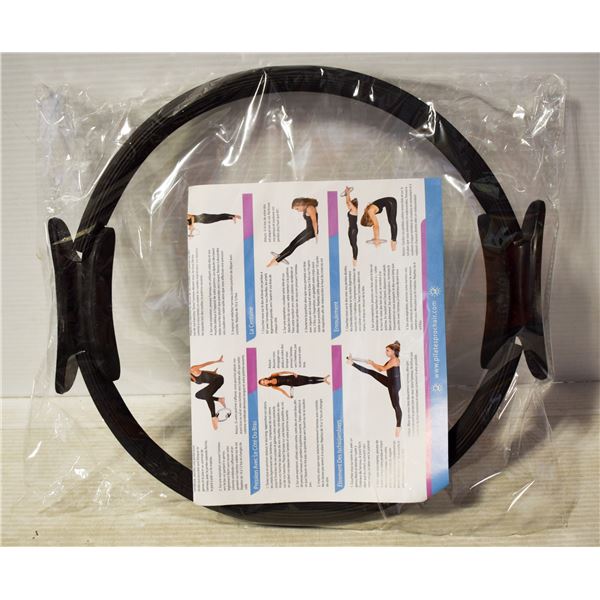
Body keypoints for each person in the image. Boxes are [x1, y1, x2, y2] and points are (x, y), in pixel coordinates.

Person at [347, 341, 402, 437]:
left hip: (394, 385)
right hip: (390, 381)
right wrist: (371, 363)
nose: (386, 352)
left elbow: (382, 369)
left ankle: (398, 426)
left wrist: (372, 363)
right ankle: (351, 363)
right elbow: (381, 368)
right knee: (371, 372)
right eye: (386, 350)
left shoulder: (395, 360)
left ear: (393, 351)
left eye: (387, 350)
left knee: (396, 406)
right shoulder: (391, 359)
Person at [267, 198, 319, 266]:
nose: (298, 211)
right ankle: (280, 256)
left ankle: (277, 260)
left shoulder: (310, 208)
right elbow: (308, 222)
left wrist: (315, 234)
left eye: (297, 208)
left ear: (300, 204)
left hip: (311, 232)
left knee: (294, 246)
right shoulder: (306, 208)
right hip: (308, 231)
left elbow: (314, 222)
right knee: (292, 244)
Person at [190, 355, 226, 430]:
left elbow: (205, 364)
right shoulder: (191, 378)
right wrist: (212, 372)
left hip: (219, 379)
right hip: (214, 383)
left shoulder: (192, 369)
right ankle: (219, 399)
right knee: (198, 395)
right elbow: (203, 372)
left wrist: (217, 361)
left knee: (207, 394)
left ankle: (214, 417)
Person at [258, 371, 331, 398]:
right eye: (263, 383)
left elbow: (283, 372)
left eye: (263, 381)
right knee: (309, 382)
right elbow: (282, 391)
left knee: (309, 378)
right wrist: (288, 396)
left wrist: (292, 373)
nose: (265, 382)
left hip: (293, 377)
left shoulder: (272, 375)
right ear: (264, 385)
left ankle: (323, 378)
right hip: (293, 383)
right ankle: (323, 381)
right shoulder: (273, 386)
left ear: (264, 379)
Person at [341, 186, 359, 266]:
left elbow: (348, 202)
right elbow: (347, 202)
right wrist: (347, 194)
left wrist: (347, 192)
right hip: (350, 229)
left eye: (350, 204)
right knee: (352, 244)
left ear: (353, 205)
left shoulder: (354, 209)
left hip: (354, 230)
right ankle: (354, 256)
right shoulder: (351, 209)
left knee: (354, 244)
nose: (348, 205)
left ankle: (355, 259)